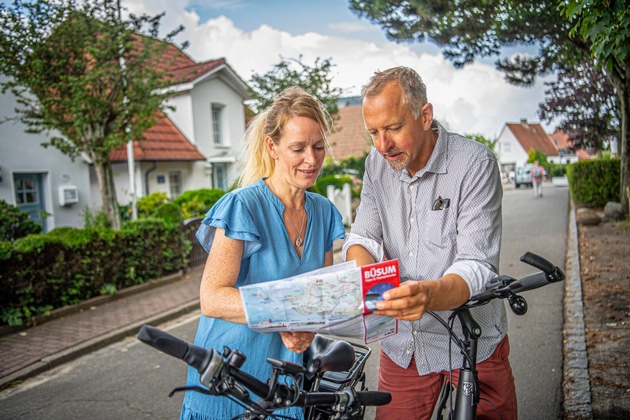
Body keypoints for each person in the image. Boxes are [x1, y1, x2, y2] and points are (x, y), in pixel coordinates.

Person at [342, 67, 517, 419]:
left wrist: (427, 295)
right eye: (373, 132)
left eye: (393, 128)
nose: (382, 145)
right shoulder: (376, 164)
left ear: (425, 116)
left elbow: (476, 263)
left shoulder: (474, 163)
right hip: (403, 344)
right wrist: (365, 279)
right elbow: (363, 236)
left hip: (472, 340)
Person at [181, 86, 345, 420]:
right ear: (272, 146)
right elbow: (212, 298)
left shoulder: (326, 213)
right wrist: (283, 313)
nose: (312, 159)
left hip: (285, 383)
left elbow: (320, 299)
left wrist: (309, 329)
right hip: (230, 380)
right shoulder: (241, 206)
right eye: (298, 148)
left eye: (318, 146)